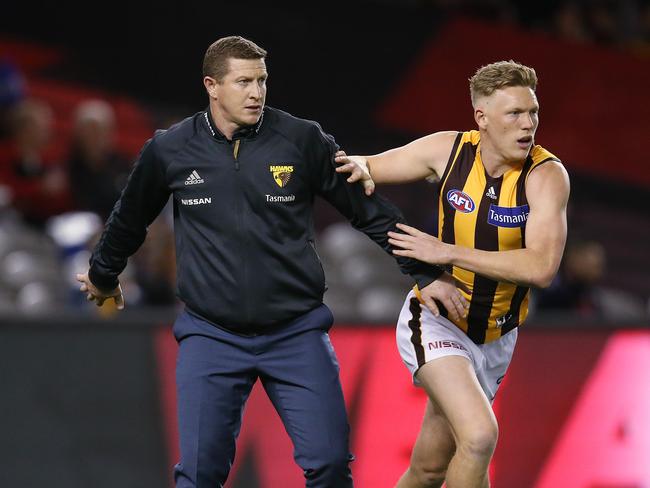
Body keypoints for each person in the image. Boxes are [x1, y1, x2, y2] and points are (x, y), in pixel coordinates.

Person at [75, 36, 467, 488]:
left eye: (261, 81)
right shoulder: (170, 149)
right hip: (211, 334)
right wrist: (104, 277)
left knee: (331, 466)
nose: (256, 92)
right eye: (243, 82)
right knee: (200, 474)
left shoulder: (302, 140)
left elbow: (369, 211)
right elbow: (129, 219)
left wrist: (425, 274)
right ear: (212, 86)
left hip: (295, 333)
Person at [336, 60, 570, 488]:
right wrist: (334, 162)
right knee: (480, 437)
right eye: (514, 114)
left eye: (532, 111)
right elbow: (366, 166)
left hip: (498, 335)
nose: (528, 124)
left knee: (429, 468)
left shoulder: (546, 175)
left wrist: (447, 252)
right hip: (437, 318)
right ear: (481, 118)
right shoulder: (449, 151)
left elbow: (542, 267)